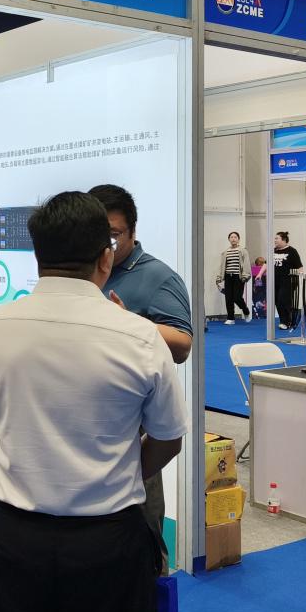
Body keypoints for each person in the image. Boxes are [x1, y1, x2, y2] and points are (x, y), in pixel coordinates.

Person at [0, 191, 189, 612]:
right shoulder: (139, 337)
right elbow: (169, 437)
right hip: (109, 540)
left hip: (19, 538)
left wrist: (22, 453)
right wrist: (126, 469)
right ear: (106, 256)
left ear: (38, 256)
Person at [88, 183, 192, 575]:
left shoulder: (158, 277)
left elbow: (182, 344)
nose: (106, 244)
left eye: (114, 235)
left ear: (133, 231)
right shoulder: (84, 272)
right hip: (86, 424)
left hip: (134, 432)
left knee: (142, 542)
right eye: (99, 235)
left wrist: (127, 322)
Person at [217, 231, 250, 324]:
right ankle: (230, 318)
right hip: (228, 277)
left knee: (237, 297)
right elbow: (222, 266)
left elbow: (246, 264)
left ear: (238, 239)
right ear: (229, 239)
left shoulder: (243, 251)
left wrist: (245, 275)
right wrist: (219, 277)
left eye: (235, 237)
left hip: (238, 277)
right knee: (228, 298)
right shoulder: (225, 252)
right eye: (231, 237)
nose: (233, 239)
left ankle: (246, 310)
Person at [273, 232, 303, 329]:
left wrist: (302, 277)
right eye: (275, 238)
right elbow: (266, 263)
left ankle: (287, 322)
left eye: (277, 238)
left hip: (288, 280)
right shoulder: (273, 250)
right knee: (277, 301)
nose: (275, 240)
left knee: (283, 300)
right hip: (275, 280)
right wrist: (260, 274)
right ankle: (283, 320)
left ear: (284, 240)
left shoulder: (292, 251)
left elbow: (299, 266)